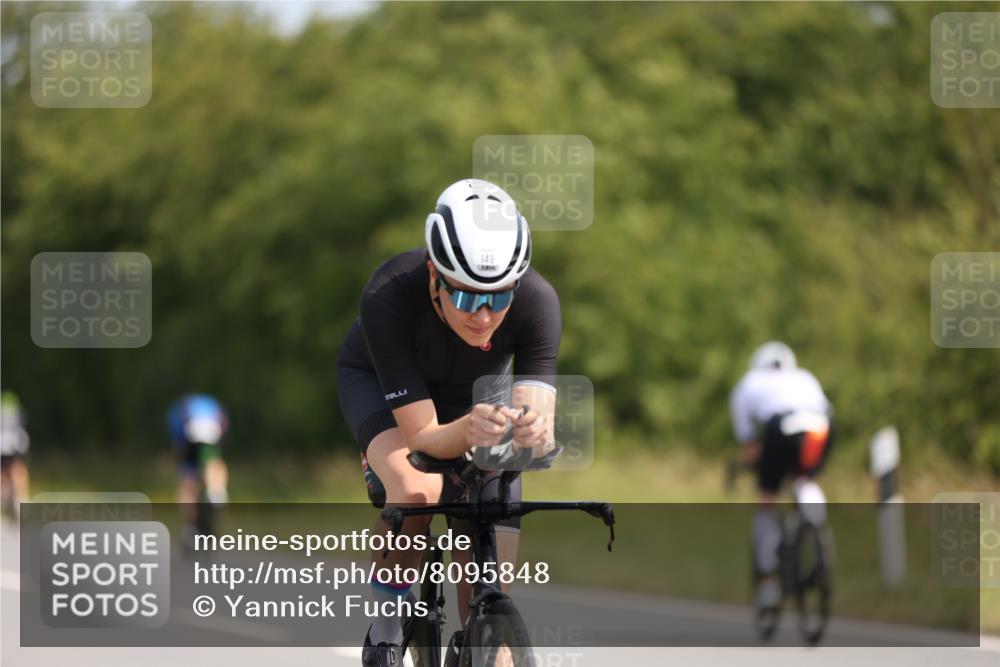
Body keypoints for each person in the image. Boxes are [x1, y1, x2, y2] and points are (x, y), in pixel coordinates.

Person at [336, 178, 561, 667]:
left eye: (498, 298)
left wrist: (534, 429)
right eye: (466, 297)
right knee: (416, 492)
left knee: (485, 569)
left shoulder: (539, 301)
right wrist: (470, 433)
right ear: (435, 276)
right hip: (382, 387)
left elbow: (535, 407)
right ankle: (386, 630)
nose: (483, 315)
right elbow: (422, 436)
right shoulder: (388, 294)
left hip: (475, 402)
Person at [729, 342, 834, 611]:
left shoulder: (748, 383)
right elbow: (826, 410)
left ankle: (767, 583)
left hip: (781, 428)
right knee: (805, 479)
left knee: (767, 500)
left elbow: (751, 447)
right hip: (820, 428)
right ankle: (815, 523)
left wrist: (758, 464)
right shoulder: (805, 377)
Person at [167, 393, 230, 536]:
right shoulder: (211, 403)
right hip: (213, 429)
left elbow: (178, 444)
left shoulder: (176, 410)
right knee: (214, 460)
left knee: (187, 478)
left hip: (189, 432)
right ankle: (216, 491)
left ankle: (190, 526)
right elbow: (224, 424)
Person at [0, 391, 31, 521]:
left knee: (5, 470)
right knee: (17, 469)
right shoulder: (18, 412)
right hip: (16, 442)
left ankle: (10, 498)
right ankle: (20, 498)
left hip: (4, 443)